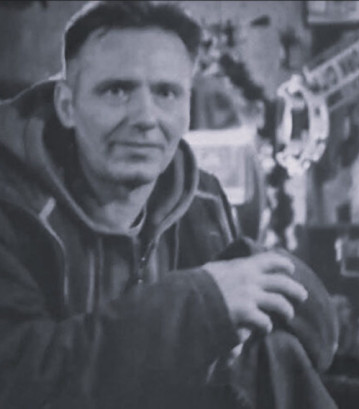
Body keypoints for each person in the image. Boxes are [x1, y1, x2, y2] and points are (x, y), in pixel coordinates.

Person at [0, 2, 338, 408]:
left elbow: (316, 344)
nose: (146, 117)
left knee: (274, 351)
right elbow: (19, 378)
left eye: (166, 93)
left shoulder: (202, 200)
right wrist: (201, 306)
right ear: (67, 106)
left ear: (187, 107)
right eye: (117, 90)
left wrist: (264, 275)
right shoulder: (12, 206)